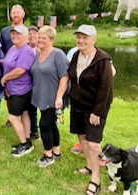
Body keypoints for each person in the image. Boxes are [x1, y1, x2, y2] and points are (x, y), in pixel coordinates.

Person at [68, 25, 113, 195]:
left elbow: (105, 89)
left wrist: (97, 112)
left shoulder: (102, 60)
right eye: (78, 37)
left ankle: (96, 179)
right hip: (78, 105)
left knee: (94, 144)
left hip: (95, 108)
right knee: (82, 136)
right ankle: (89, 165)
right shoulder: (75, 55)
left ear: (93, 39)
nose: (81, 40)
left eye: (85, 37)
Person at [30, 26, 69, 167]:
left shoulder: (58, 55)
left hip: (53, 98)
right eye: (39, 37)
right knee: (51, 124)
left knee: (44, 124)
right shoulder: (37, 55)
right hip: (41, 95)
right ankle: (56, 151)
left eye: (43, 38)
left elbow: (64, 77)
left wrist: (59, 97)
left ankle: (48, 155)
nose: (40, 40)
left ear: (51, 40)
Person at [1, 26, 35, 156]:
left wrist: (5, 78)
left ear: (26, 36)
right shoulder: (12, 49)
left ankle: (24, 144)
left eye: (18, 34)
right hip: (13, 88)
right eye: (13, 34)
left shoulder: (26, 51)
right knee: (24, 114)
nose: (15, 36)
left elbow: (20, 70)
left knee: (13, 117)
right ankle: (27, 141)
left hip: (22, 89)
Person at [0, 4, 26, 128]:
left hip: (24, 68)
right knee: (8, 94)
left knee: (26, 99)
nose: (15, 15)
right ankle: (11, 119)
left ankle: (31, 126)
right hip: (8, 67)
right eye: (13, 13)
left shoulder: (28, 30)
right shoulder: (5, 31)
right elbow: (1, 49)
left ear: (23, 14)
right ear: (10, 15)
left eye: (18, 12)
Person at [27, 26, 40, 140]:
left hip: (41, 83)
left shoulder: (42, 48)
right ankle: (33, 130)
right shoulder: (25, 49)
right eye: (29, 34)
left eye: (34, 33)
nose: (32, 36)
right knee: (30, 108)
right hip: (28, 83)